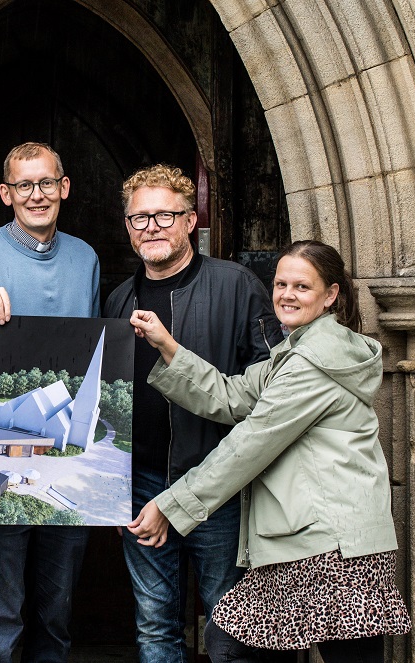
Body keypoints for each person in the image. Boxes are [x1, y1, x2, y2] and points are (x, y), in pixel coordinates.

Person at [127, 240, 412, 662]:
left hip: (330, 544)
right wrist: (168, 346)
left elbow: (249, 443)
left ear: (331, 294)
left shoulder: (312, 363)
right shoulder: (294, 353)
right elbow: (230, 395)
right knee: (235, 643)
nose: (286, 294)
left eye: (301, 286)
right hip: (308, 540)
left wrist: (170, 505)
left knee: (252, 646)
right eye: (281, 284)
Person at [103, 164, 282, 662]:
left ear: (190, 220)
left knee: (230, 634)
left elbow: (273, 388)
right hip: (141, 486)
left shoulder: (237, 285)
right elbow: (107, 404)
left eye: (165, 215)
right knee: (155, 626)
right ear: (128, 227)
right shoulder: (119, 300)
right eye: (140, 218)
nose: (152, 227)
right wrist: (110, 491)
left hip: (217, 488)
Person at [0, 142, 99, 662]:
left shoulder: (86, 258)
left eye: (46, 183)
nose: (36, 195)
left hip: (67, 455)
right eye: (24, 185)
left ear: (64, 188)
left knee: (56, 611)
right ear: (5, 194)